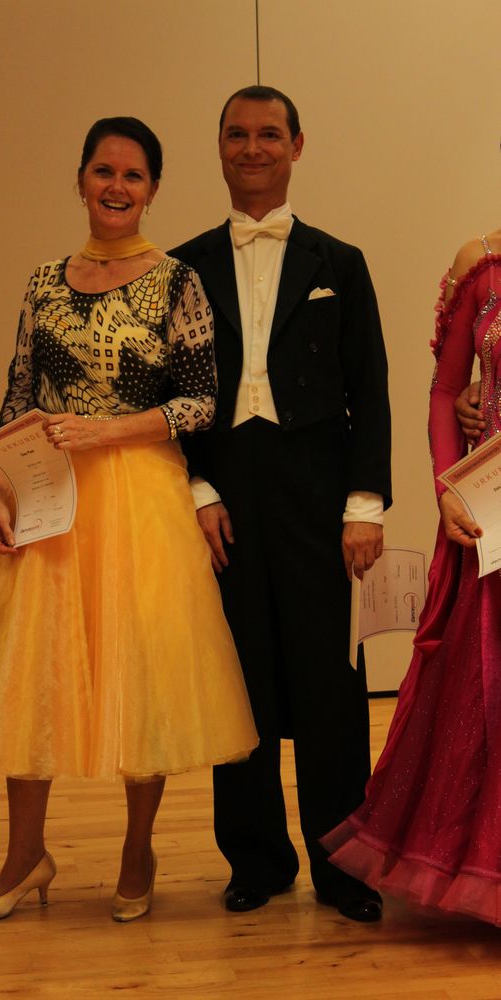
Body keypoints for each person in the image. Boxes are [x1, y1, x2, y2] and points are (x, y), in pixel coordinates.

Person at [0, 116, 258, 924]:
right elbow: (18, 393)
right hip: (50, 497)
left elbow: (201, 402)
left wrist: (109, 432)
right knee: (31, 675)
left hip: (141, 499)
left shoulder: (177, 281)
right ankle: (24, 856)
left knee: (141, 674)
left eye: (133, 175)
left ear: (152, 190)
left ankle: (137, 852)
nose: (116, 187)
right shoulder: (43, 281)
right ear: (80, 181)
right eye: (104, 171)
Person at [170, 86, 391, 922]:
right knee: (239, 677)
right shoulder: (182, 268)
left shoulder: (341, 263)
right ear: (219, 146)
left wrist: (365, 504)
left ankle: (344, 864)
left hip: (318, 491)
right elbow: (168, 394)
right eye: (237, 134)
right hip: (224, 491)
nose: (252, 147)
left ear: (297, 145)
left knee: (331, 682)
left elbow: (370, 390)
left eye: (269, 133)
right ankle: (255, 858)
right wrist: (197, 488)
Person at [323, 230, 501, 926]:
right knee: (483, 695)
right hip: (487, 517)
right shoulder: (481, 265)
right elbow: (445, 389)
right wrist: (446, 488)